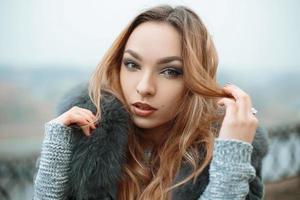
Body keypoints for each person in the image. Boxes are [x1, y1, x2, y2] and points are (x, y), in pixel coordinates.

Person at [33, 4, 269, 200]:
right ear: (117, 66)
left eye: (170, 71)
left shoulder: (225, 151)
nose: (144, 87)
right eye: (132, 64)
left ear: (196, 79)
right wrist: (55, 152)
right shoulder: (86, 135)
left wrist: (231, 159)